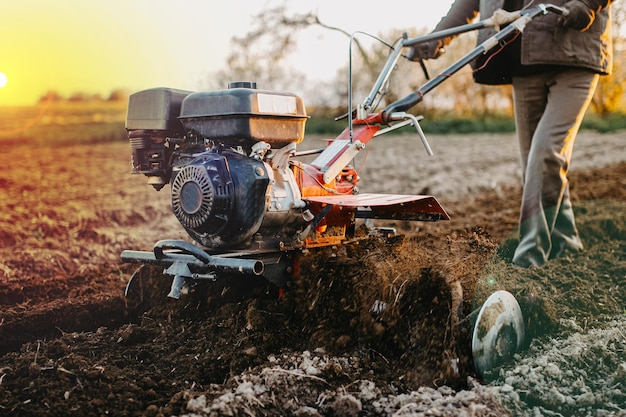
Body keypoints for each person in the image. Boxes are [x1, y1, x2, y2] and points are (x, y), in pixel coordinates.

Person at [409, 0, 614, 267]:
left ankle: (529, 258)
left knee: (545, 153)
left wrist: (587, 4)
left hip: (574, 52)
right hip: (524, 57)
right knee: (535, 164)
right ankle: (567, 244)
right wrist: (438, 35)